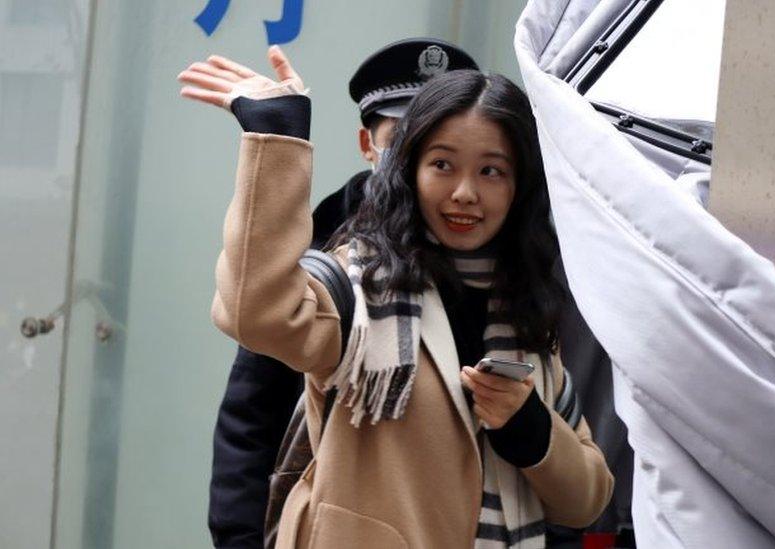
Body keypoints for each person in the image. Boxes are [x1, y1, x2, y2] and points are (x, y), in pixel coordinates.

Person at [181, 46, 613, 547]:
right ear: (407, 169)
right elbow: (256, 317)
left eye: (491, 170)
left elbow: (589, 499)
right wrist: (278, 135)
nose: (465, 193)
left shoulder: (527, 303)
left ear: (519, 185)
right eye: (443, 165)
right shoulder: (355, 282)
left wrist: (531, 428)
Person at [177, 39, 479, 548]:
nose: (422, 157)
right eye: (403, 135)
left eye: (440, 140)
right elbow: (253, 409)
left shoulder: (516, 257)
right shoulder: (328, 245)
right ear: (368, 143)